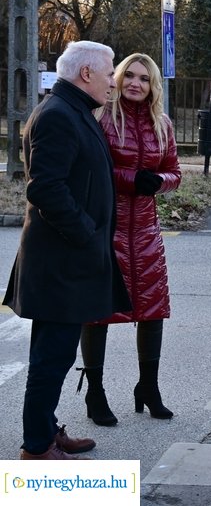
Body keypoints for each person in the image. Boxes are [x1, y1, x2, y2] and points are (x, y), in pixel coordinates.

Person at [3, 41, 132, 460]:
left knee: (55, 354)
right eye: (110, 71)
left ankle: (44, 429)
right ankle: (37, 448)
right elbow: (46, 187)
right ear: (87, 74)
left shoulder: (72, 109)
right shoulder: (59, 115)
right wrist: (86, 233)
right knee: (51, 357)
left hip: (65, 260)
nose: (114, 80)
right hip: (61, 261)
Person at [78, 53, 181, 426]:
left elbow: (174, 171)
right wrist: (131, 179)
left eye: (145, 78)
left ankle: (148, 388)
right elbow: (95, 168)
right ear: (118, 79)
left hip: (147, 231)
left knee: (153, 311)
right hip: (108, 227)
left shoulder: (163, 124)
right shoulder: (101, 119)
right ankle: (95, 393)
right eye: (129, 76)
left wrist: (161, 182)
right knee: (99, 313)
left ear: (154, 86)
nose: (136, 83)